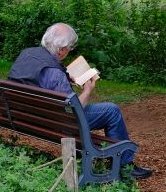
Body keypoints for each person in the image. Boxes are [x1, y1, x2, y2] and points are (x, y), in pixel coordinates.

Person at [8, 22, 152, 180]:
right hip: (57, 123)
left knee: (104, 109)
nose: (69, 51)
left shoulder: (26, 54)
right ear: (62, 50)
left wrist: (64, 78)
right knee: (111, 111)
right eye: (69, 48)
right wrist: (87, 91)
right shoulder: (54, 74)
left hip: (24, 116)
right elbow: (73, 111)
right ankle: (125, 165)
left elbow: (36, 80)